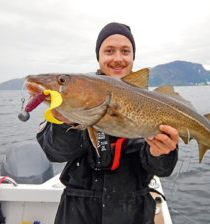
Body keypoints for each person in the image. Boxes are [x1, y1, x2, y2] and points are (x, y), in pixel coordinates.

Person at [37, 22, 179, 224]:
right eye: (109, 51)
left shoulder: (153, 103)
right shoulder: (74, 98)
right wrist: (65, 121)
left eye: (125, 51)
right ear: (99, 57)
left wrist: (160, 153)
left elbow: (164, 169)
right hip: (78, 213)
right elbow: (56, 153)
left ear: (133, 57)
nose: (118, 58)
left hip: (135, 213)